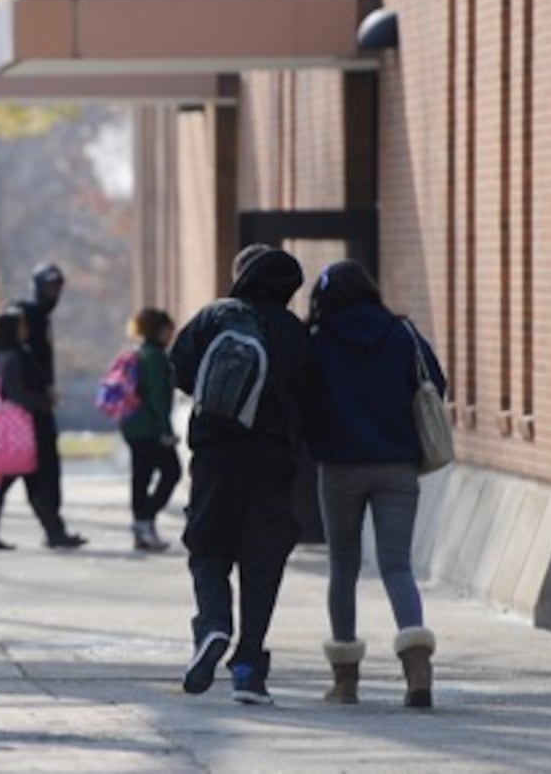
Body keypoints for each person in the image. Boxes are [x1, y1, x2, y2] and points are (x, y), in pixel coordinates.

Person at [169, 244, 308, 706]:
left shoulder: (217, 316)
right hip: (273, 464)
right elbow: (315, 398)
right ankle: (248, 670)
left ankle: (212, 625)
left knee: (207, 550)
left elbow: (180, 371)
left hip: (216, 457)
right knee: (261, 566)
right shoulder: (296, 331)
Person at [304, 260, 445, 708]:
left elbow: (301, 398)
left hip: (340, 467)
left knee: (343, 569)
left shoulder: (318, 341)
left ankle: (345, 682)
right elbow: (434, 383)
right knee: (397, 567)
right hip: (397, 466)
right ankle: (417, 674)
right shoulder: (401, 334)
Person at [16, 263, 86, 548]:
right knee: (35, 470)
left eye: (57, 287)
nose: (53, 293)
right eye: (49, 287)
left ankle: (53, 528)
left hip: (40, 405)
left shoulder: (41, 317)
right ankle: (52, 528)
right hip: (30, 407)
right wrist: (38, 390)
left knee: (41, 471)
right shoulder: (27, 313)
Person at [0, 304, 49, 550]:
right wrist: (43, 401)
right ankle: (53, 532)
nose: (25, 330)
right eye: (20, 326)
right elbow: (17, 394)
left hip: (5, 438)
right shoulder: (12, 359)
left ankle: (53, 531)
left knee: (8, 487)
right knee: (17, 486)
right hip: (14, 437)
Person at [119, 307, 180, 552]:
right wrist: (166, 429)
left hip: (132, 424)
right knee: (171, 472)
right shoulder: (155, 356)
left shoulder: (139, 352)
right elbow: (158, 396)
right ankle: (145, 520)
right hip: (150, 428)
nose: (171, 336)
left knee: (141, 477)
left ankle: (142, 527)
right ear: (159, 330)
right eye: (168, 331)